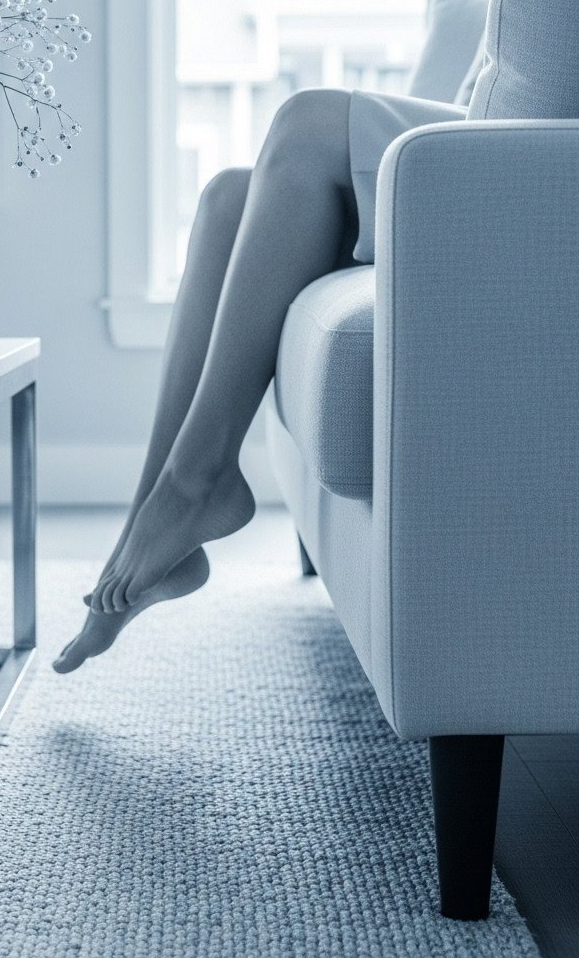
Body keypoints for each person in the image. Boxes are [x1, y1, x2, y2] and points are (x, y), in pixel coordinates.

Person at [53, 84, 461, 674]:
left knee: (309, 119)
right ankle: (154, 510)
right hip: (486, 132)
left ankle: (195, 481)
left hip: (519, 156)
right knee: (227, 199)